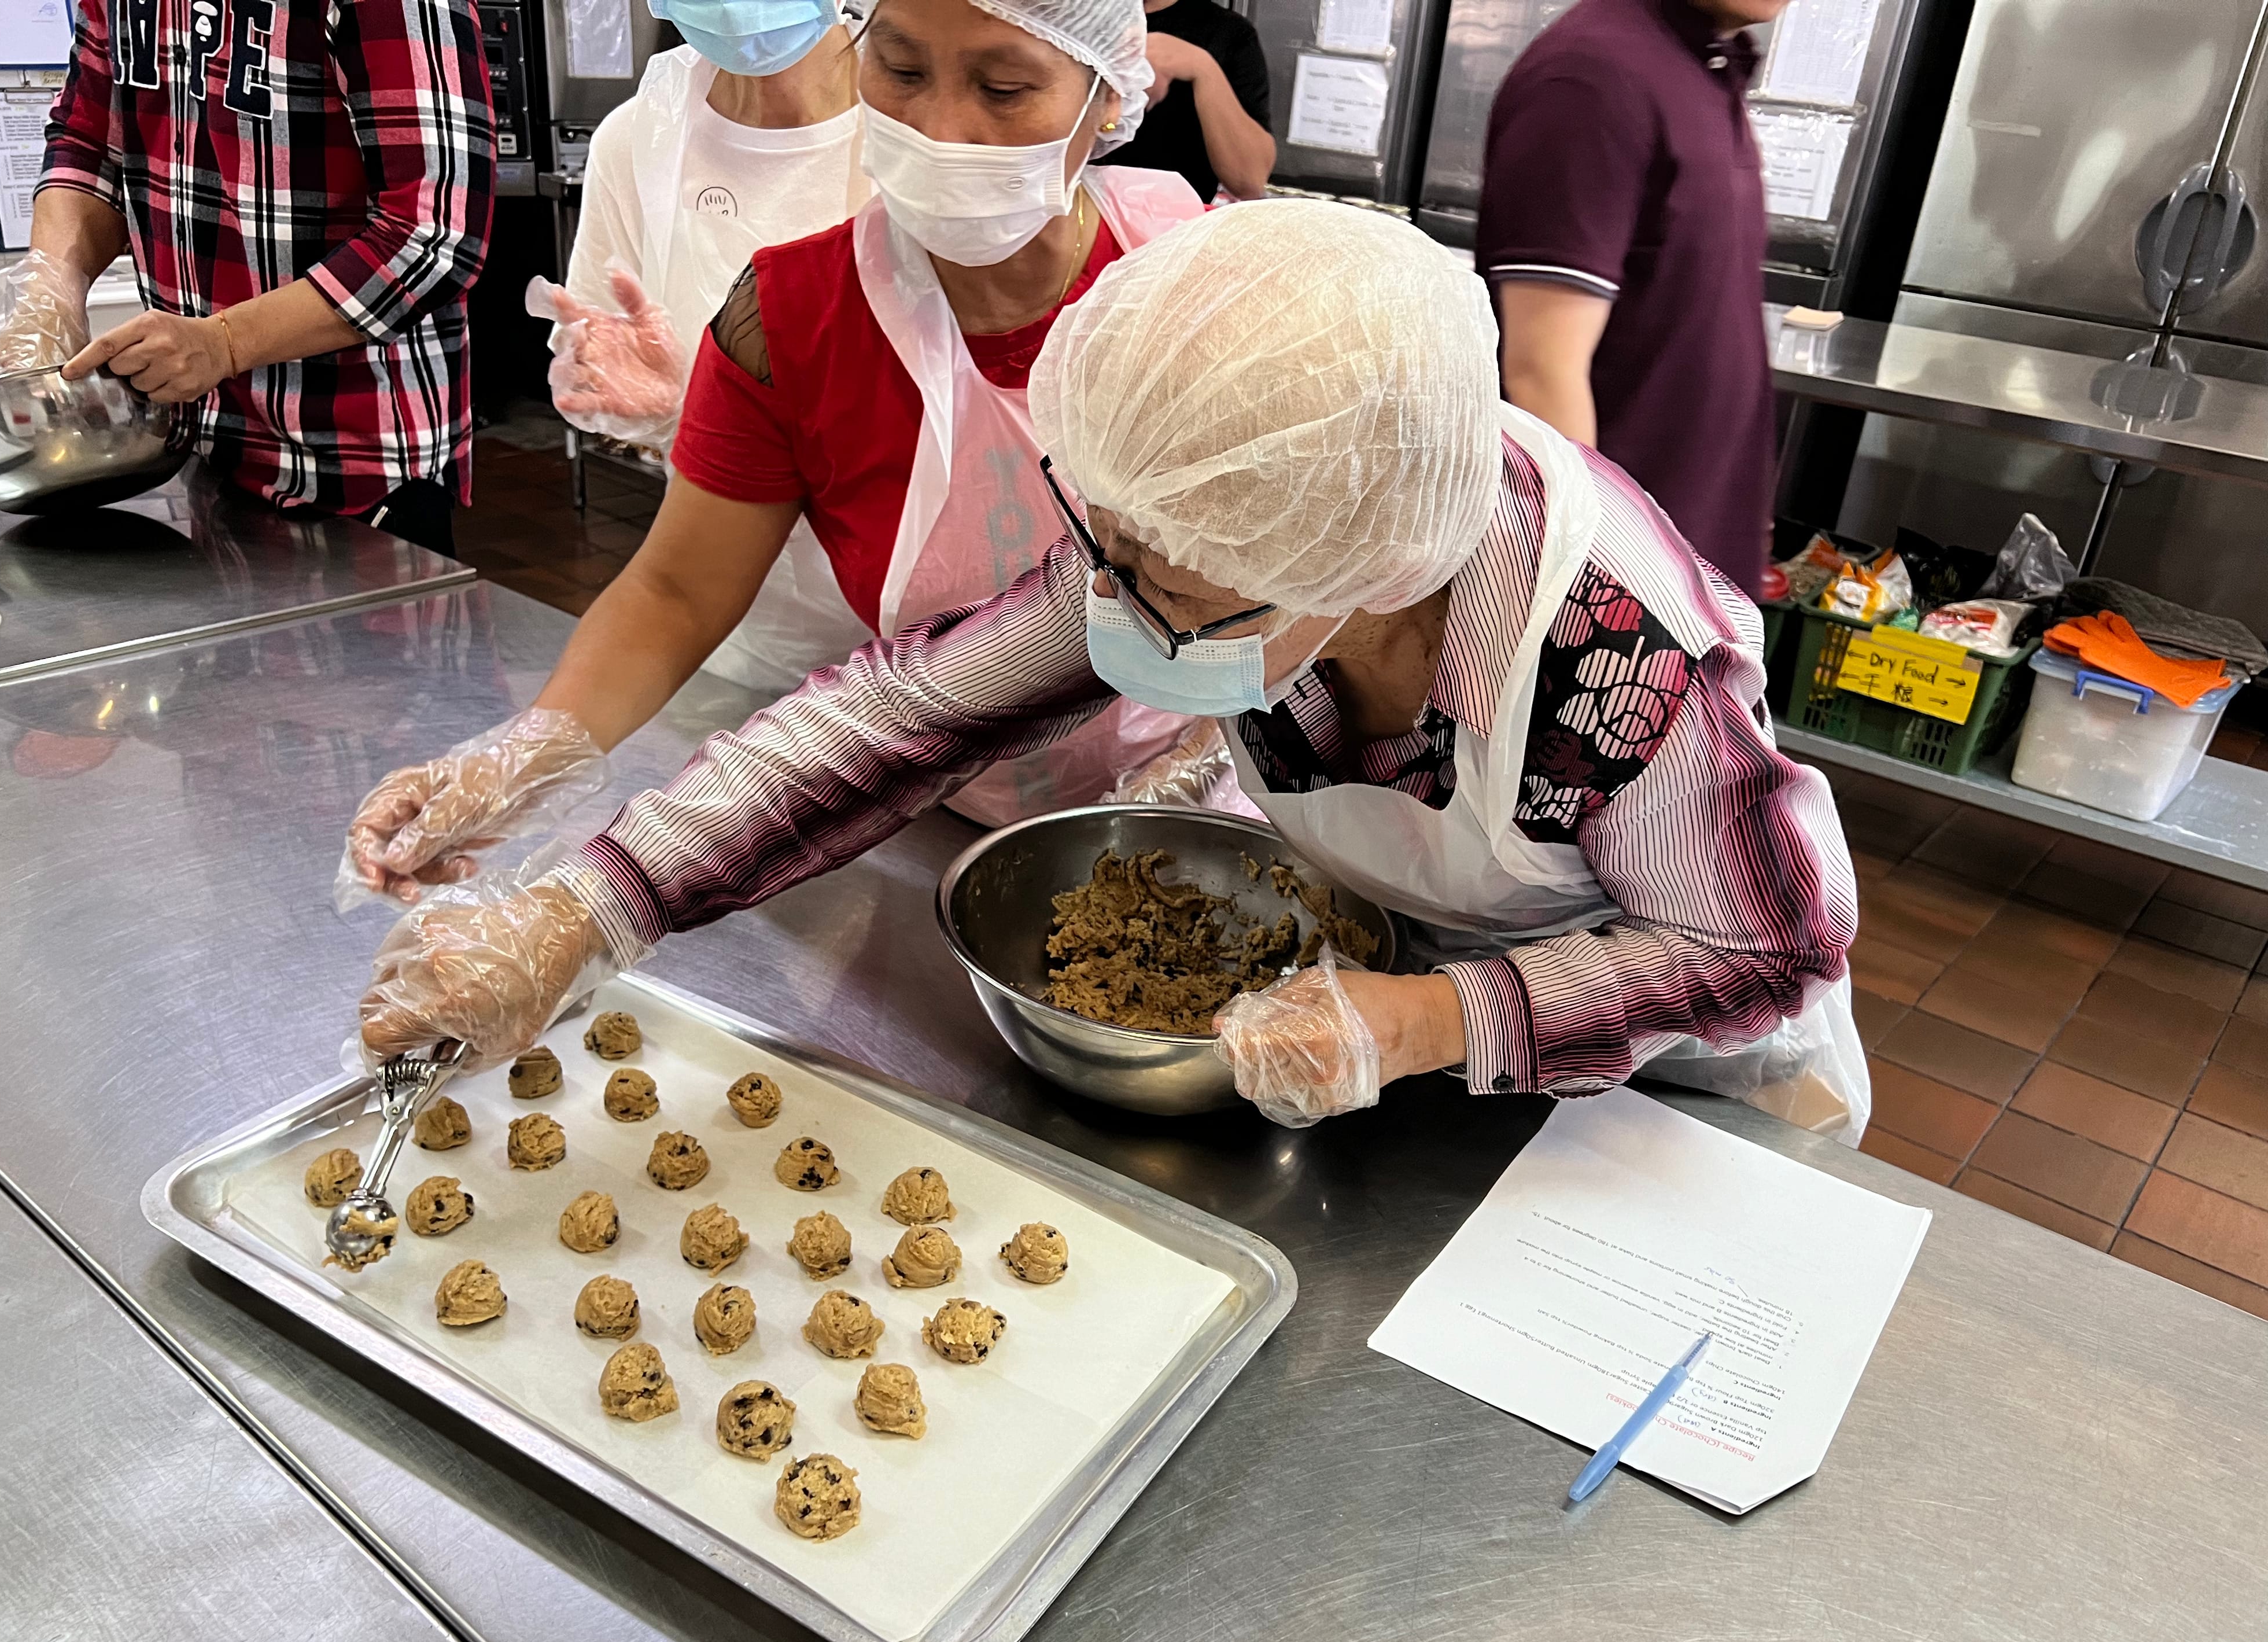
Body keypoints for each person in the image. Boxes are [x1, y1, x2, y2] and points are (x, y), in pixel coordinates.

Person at [355, 201, 1868, 1142]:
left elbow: (1771, 948)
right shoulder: (1211, 524)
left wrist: (1432, 1024)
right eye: (1109, 552)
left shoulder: (1622, 668)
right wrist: (585, 912)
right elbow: (899, 715)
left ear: (1367, 572)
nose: (1115, 609)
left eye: (1171, 590)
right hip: (1390, 1056)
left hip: (1671, 1091)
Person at [341, 0, 1212, 904]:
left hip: (1223, 795)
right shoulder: (787, 318)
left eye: (1003, 87)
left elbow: (1326, 595)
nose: (942, 129)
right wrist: (517, 763)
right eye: (903, 71)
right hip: (950, 804)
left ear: (1107, 95)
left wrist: (1199, 774)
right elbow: (677, 593)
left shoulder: (1195, 286)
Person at [3, 0, 496, 558]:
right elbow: (88, 142)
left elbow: (432, 234)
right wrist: (51, 290)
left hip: (356, 467)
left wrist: (225, 343)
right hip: (197, 444)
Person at [532, 0, 871, 689]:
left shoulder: (928, 122)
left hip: (951, 647)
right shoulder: (640, 143)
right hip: (741, 631)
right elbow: (612, 365)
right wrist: (665, 412)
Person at [1474, 0, 1786, 597]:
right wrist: (1596, 584)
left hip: (1689, 557)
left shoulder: (1703, 66)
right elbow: (1541, 369)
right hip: (1622, 590)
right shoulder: (1591, 77)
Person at [1103, 0, 1274, 201]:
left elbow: (1250, 181)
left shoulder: (1231, 35)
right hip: (1074, 216)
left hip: (1174, 226)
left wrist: (1202, 68)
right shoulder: (1076, 16)